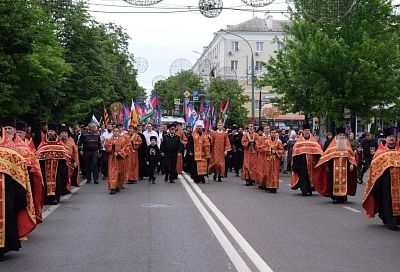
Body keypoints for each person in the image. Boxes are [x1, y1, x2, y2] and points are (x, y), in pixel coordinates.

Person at [0, 123, 36, 260]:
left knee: (7, 214)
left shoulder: (10, 147)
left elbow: (19, 167)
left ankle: (3, 248)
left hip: (7, 188)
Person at [3, 117, 44, 224]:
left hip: (19, 183)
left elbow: (32, 164)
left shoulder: (24, 147)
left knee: (17, 205)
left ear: (14, 130)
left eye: (10, 128)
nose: (7, 131)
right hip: (4, 181)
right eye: (5, 128)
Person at [362, 128, 400, 230]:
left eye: (393, 137)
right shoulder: (381, 152)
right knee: (388, 200)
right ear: (386, 139)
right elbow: (375, 166)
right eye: (389, 137)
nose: (392, 139)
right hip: (386, 181)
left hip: (398, 181)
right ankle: (391, 222)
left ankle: (397, 219)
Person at [314, 127, 358, 204]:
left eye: (343, 135)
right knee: (334, 182)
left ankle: (343, 196)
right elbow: (327, 156)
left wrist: (351, 164)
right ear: (337, 136)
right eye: (340, 135)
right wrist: (327, 166)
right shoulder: (332, 144)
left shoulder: (347, 144)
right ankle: (335, 197)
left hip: (345, 167)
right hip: (333, 167)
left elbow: (351, 156)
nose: (342, 136)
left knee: (345, 182)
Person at [36, 123, 73, 205]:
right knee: (45, 182)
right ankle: (46, 199)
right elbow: (38, 153)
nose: (50, 133)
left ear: (55, 132)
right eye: (49, 131)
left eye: (52, 131)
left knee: (58, 182)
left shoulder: (60, 143)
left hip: (58, 167)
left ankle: (56, 198)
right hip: (45, 167)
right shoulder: (43, 143)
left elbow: (65, 153)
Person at [291, 124, 323, 196]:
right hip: (302, 163)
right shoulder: (299, 141)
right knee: (303, 176)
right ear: (303, 131)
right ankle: (304, 190)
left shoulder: (313, 141)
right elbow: (295, 153)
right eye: (305, 130)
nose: (307, 132)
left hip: (312, 163)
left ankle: (310, 189)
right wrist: (295, 165)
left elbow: (318, 151)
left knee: (310, 176)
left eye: (308, 130)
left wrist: (319, 161)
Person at [257, 128, 284, 193]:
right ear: (270, 133)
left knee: (275, 173)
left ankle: (274, 187)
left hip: (275, 160)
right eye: (272, 132)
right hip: (268, 159)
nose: (273, 134)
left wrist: (276, 152)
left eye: (274, 133)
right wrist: (269, 150)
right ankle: (267, 185)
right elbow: (263, 149)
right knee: (267, 173)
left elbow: (281, 150)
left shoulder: (279, 142)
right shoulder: (266, 141)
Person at [104, 127, 126, 195]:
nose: (115, 132)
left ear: (119, 132)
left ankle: (117, 186)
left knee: (120, 173)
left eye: (117, 131)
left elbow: (125, 148)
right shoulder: (109, 140)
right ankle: (112, 188)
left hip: (120, 159)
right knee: (112, 173)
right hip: (112, 159)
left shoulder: (122, 140)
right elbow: (106, 147)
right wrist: (112, 146)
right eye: (114, 131)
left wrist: (119, 153)